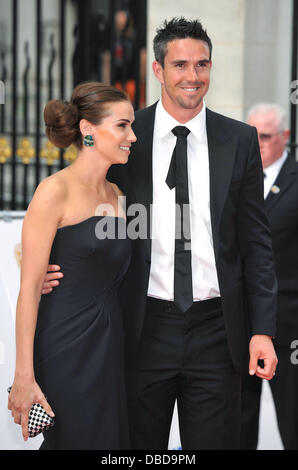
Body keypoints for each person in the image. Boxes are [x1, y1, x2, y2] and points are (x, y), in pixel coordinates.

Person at [42, 18, 278, 450]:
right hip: (140, 325)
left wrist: (262, 329)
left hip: (217, 330)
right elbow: (78, 204)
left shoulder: (239, 140)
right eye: (180, 65)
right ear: (157, 70)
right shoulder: (127, 137)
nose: (193, 76)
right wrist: (44, 267)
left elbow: (257, 245)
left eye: (203, 64)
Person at [7, 82, 136, 450]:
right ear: (88, 130)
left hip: (111, 345)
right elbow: (29, 290)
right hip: (66, 343)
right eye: (123, 125)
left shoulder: (120, 196)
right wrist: (24, 377)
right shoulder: (54, 191)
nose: (133, 136)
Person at [241, 103, 298, 450]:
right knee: (237, 418)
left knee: (293, 416)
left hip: (289, 321)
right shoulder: (233, 179)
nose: (257, 144)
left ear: (285, 137)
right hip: (240, 318)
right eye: (252, 136)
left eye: (265, 136)